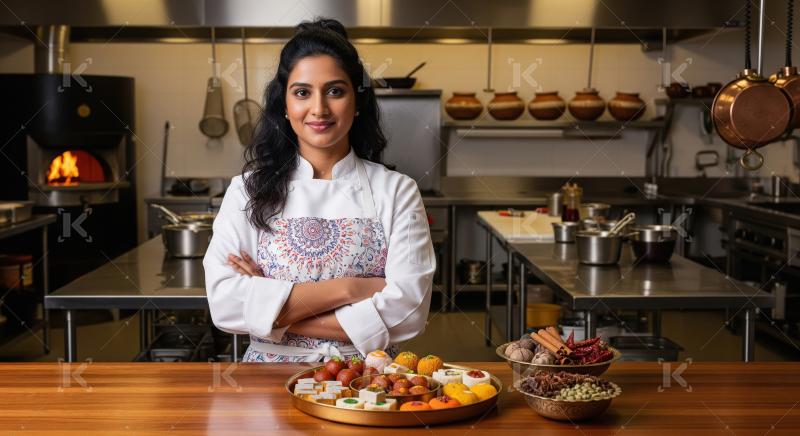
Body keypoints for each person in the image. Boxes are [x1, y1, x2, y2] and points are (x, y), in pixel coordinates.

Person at [203, 18, 435, 362]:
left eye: (335, 91)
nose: (319, 109)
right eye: (302, 92)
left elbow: (409, 313)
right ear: (284, 104)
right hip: (265, 389)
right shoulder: (247, 191)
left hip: (367, 384)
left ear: (356, 102)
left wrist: (271, 312)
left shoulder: (397, 191)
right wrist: (353, 288)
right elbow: (224, 305)